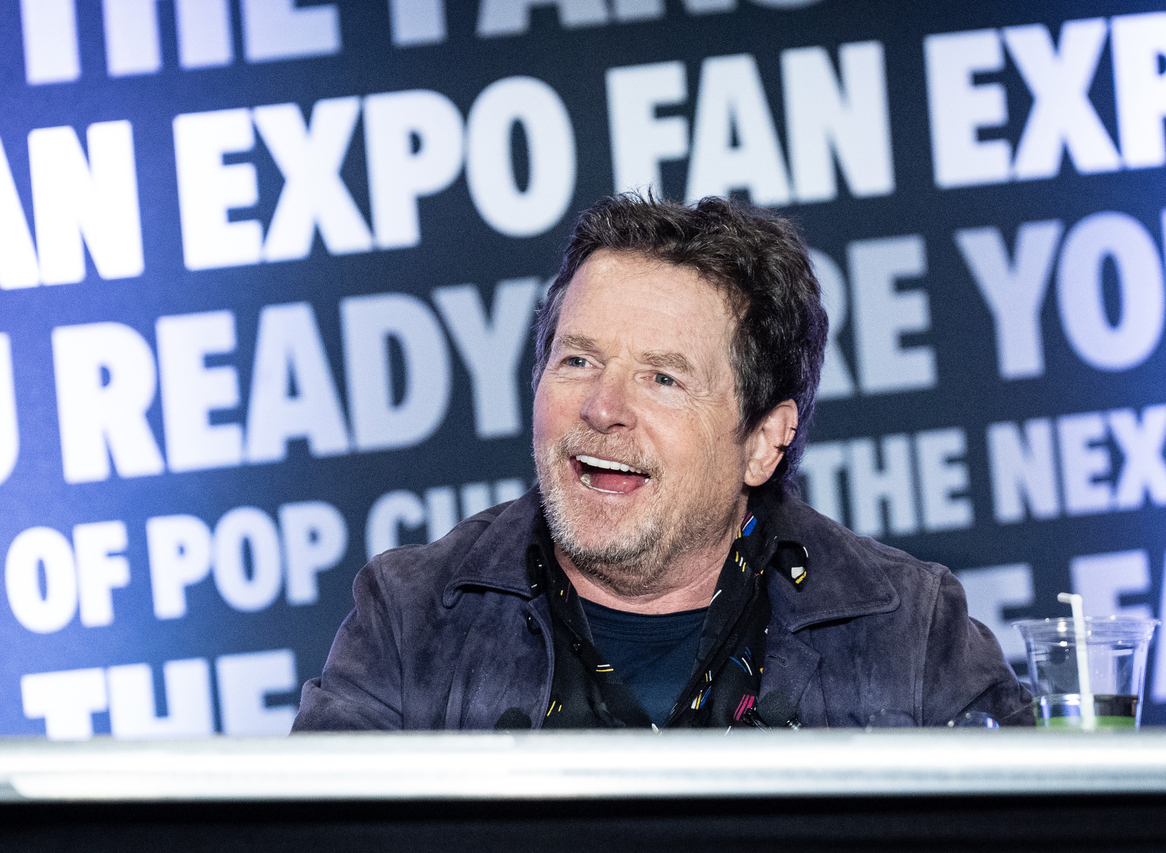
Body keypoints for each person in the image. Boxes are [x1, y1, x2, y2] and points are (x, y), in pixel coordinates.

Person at [292, 194, 1033, 731]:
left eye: (663, 378)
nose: (602, 407)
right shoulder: (411, 620)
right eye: (578, 360)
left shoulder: (910, 632)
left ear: (762, 441)